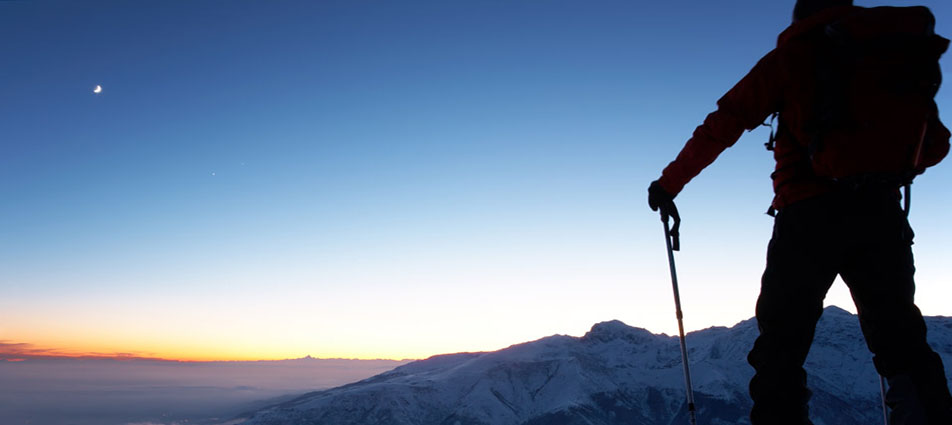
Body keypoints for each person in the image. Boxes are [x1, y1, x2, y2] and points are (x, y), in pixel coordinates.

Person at [647, 0, 952, 424]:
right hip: (882, 214)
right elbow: (936, 146)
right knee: (901, 337)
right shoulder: (889, 57)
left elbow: (725, 122)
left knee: (781, 344)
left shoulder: (792, 57)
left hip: (807, 216)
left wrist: (669, 184)